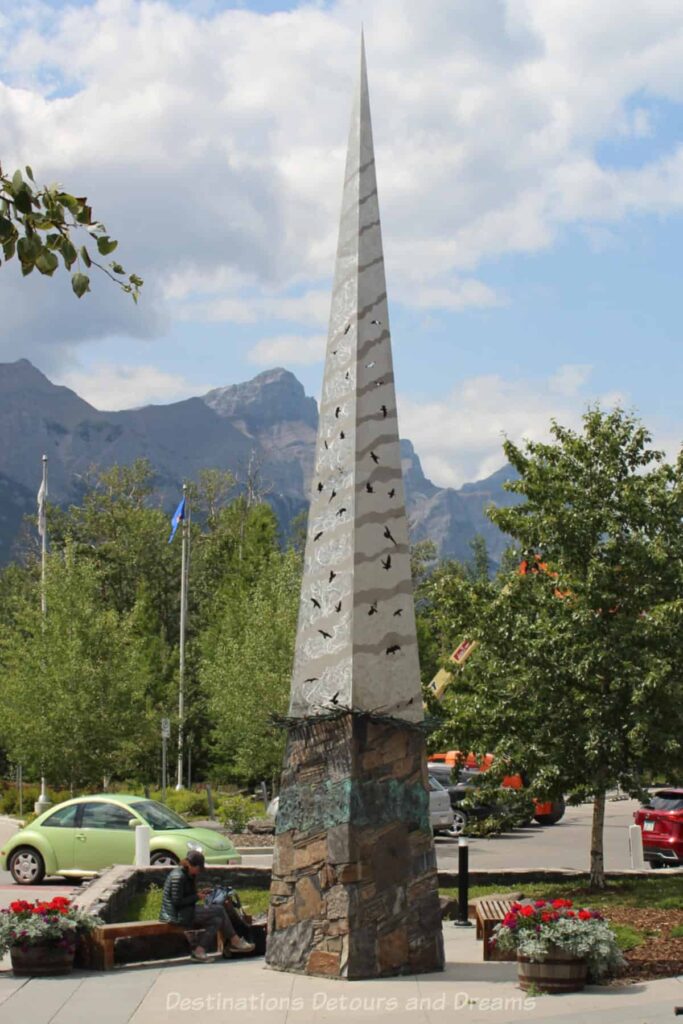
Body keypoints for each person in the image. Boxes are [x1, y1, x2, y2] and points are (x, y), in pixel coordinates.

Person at [159, 850, 255, 962]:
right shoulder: (178, 876)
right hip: (175, 914)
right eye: (198, 868)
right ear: (190, 865)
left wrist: (200, 893)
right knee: (218, 909)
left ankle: (199, 951)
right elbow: (177, 902)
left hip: (184, 910)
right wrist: (197, 897)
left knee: (217, 920)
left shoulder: (188, 874)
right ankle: (235, 941)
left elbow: (186, 895)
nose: (199, 871)